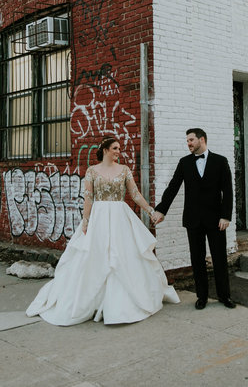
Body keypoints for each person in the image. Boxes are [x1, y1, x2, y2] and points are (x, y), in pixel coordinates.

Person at [26, 137, 179, 326]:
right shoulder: (92, 171)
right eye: (115, 148)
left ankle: (122, 303)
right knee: (94, 255)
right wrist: (86, 221)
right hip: (98, 217)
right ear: (105, 150)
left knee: (123, 256)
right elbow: (88, 198)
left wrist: (150, 211)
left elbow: (135, 194)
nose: (118, 151)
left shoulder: (124, 170)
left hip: (119, 216)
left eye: (119, 148)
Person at [151, 128, 235, 310]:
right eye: (187, 141)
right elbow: (173, 187)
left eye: (191, 140)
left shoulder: (220, 161)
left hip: (216, 220)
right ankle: (202, 297)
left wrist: (226, 216)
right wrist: (161, 210)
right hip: (193, 219)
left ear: (201, 139)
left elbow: (227, 191)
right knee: (197, 260)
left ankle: (224, 296)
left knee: (219, 259)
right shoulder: (184, 163)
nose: (188, 143)